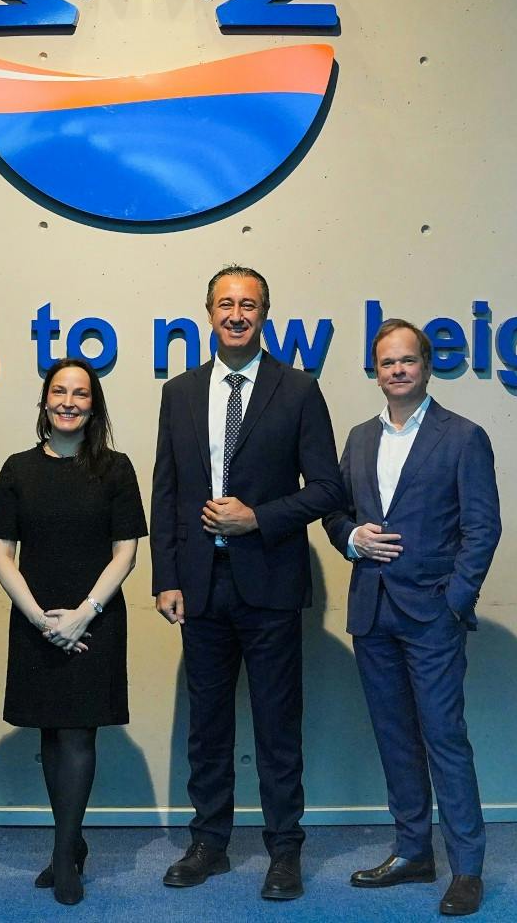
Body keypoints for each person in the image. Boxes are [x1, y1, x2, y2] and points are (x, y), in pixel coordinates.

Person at [150, 264, 345, 901]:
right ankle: (208, 841)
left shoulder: (297, 390)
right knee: (207, 726)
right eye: (226, 304)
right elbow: (167, 491)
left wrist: (256, 518)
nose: (237, 315)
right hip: (200, 587)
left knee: (275, 724)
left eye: (250, 305)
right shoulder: (179, 392)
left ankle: (284, 850)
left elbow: (326, 489)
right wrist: (167, 577)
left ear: (265, 315)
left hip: (270, 586)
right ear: (208, 312)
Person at [323, 319, 499, 917]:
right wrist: (350, 537)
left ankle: (467, 867)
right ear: (375, 372)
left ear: (427, 366)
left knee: (445, 739)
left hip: (432, 615)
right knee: (395, 739)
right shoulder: (358, 438)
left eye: (407, 361)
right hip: (372, 612)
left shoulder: (463, 436)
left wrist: (456, 600)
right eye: (386, 363)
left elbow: (483, 527)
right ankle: (412, 851)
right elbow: (336, 512)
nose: (396, 370)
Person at [0, 358, 146, 906]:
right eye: (60, 391)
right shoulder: (16, 468)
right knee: (49, 733)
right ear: (44, 401)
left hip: (96, 617)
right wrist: (38, 617)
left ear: (94, 405)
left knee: (79, 732)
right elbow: (2, 554)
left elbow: (126, 552)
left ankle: (62, 855)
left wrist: (83, 613)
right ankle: (70, 843)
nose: (69, 402)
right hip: (34, 617)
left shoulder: (116, 469)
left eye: (81, 394)